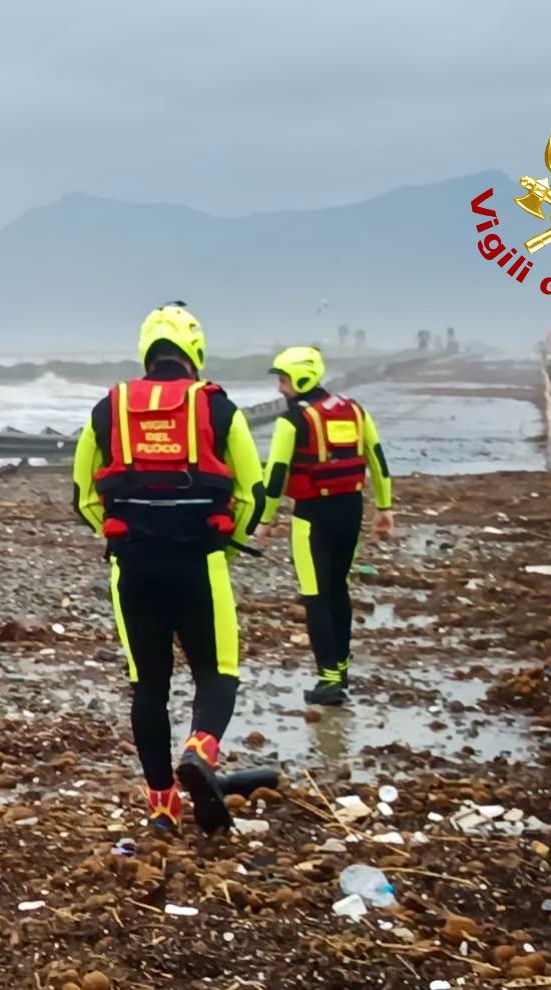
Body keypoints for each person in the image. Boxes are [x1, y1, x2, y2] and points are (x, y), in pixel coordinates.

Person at [72, 302, 264, 833]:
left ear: (146, 352)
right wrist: (225, 546)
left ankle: (162, 806)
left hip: (131, 567)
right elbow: (254, 493)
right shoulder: (220, 408)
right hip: (200, 562)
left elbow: (83, 494)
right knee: (217, 672)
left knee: (149, 686)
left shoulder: (107, 409)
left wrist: (124, 537)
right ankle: (201, 748)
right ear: (194, 352)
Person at [261, 345, 393, 706]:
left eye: (283, 381)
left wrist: (265, 519)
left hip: (311, 516)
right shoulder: (355, 411)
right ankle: (342, 668)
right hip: (350, 511)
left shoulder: (291, 422)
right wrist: (385, 506)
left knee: (316, 595)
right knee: (338, 588)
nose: (280, 389)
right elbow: (377, 459)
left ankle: (329, 679)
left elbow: (275, 474)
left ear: (301, 379)